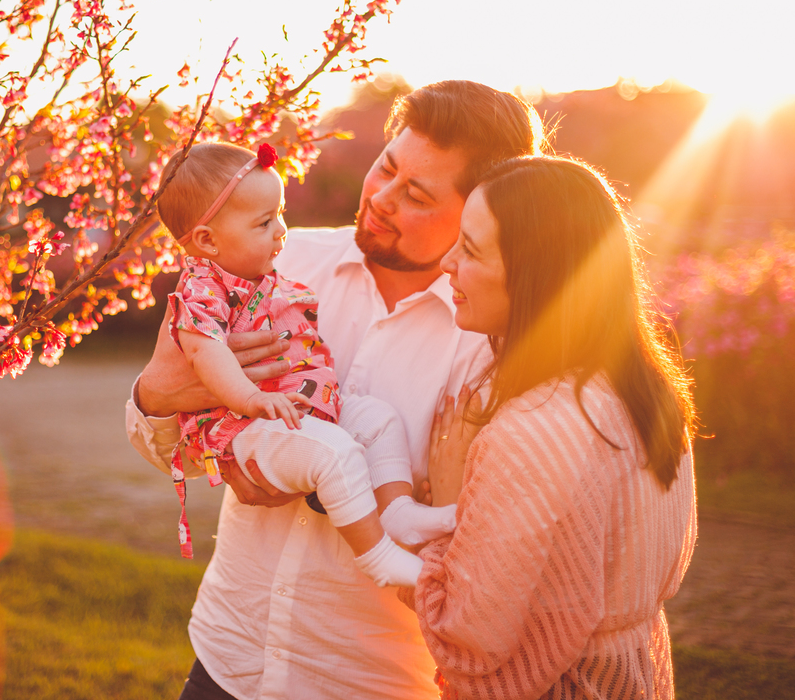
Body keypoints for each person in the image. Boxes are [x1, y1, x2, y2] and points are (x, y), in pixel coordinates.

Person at [126, 80, 544, 700]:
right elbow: (167, 447)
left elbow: (491, 543)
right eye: (386, 167)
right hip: (227, 659)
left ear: (478, 211)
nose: (379, 198)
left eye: (416, 195)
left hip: (371, 683)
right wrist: (158, 397)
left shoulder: (490, 346)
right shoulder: (272, 265)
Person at [407, 155, 698, 699]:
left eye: (469, 250)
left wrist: (448, 513)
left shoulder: (530, 433)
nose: (447, 263)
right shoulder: (650, 397)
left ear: (536, 272)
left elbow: (468, 638)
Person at [156, 140, 453, 586]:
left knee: (377, 417)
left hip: (303, 405)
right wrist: (250, 397)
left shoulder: (267, 270)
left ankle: (399, 512)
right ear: (206, 240)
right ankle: (377, 556)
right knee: (334, 456)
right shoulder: (202, 288)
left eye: (280, 215)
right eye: (263, 222)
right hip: (247, 421)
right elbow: (205, 351)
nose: (281, 232)